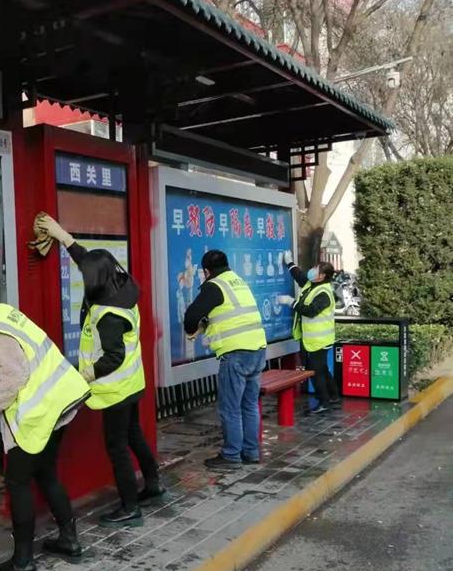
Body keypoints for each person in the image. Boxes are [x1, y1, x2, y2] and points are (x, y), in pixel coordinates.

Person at [0, 272, 90, 571]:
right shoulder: (0, 314)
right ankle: (69, 540)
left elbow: (13, 375)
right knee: (46, 473)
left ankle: (23, 562)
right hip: (59, 401)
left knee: (17, 481)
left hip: (41, 410)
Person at [35, 214, 164, 526]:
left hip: (116, 388)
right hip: (133, 382)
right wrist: (62, 236)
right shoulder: (123, 285)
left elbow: (113, 357)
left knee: (117, 447)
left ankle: (130, 507)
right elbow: (87, 260)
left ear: (96, 279)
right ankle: (153, 484)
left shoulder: (108, 315)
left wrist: (85, 374)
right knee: (134, 434)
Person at [183, 250, 267, 471]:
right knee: (249, 405)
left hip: (236, 354)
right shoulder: (238, 281)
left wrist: (194, 329)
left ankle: (231, 455)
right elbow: (231, 313)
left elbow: (191, 317)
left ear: (206, 271)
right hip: (257, 349)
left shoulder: (214, 285)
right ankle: (251, 452)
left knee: (230, 408)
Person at [277, 255, 339, 414]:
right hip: (315, 339)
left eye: (315, 269)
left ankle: (324, 402)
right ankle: (333, 395)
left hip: (319, 340)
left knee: (315, 371)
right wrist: (290, 263)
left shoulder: (324, 293)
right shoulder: (312, 285)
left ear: (322, 276)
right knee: (321, 368)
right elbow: (299, 276)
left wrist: (291, 302)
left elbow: (311, 311)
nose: (311, 270)